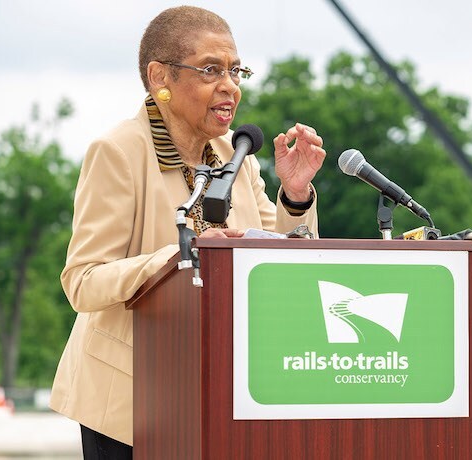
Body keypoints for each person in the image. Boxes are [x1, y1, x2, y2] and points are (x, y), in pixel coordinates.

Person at [49, 6, 325, 459]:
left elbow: (280, 262)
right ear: (162, 77)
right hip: (131, 401)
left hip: (226, 389)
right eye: (211, 70)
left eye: (236, 71)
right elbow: (83, 281)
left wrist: (294, 196)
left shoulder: (240, 154)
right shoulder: (117, 152)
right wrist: (184, 257)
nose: (230, 86)